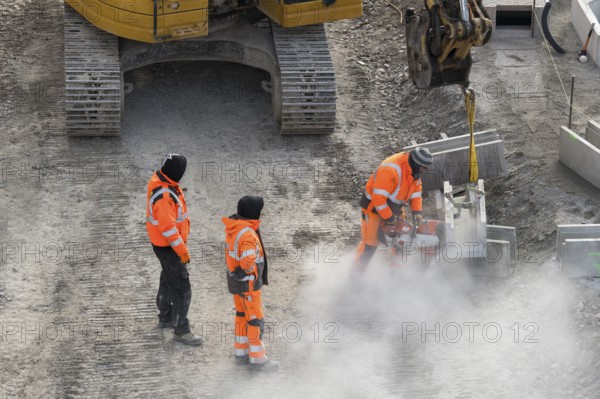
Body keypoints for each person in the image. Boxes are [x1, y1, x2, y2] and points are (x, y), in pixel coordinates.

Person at [146, 154, 202, 346]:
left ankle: (166, 316)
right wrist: (182, 250)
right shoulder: (164, 195)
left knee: (168, 278)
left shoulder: (164, 182)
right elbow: (168, 228)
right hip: (169, 246)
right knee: (182, 287)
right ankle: (181, 330)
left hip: (163, 245)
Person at [222, 195, 279, 371]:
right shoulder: (248, 234)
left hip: (236, 283)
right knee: (255, 320)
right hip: (248, 286)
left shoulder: (235, 228)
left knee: (241, 315)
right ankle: (257, 359)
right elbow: (248, 260)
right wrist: (248, 270)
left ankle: (241, 353)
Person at [354, 147, 433, 271]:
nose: (424, 171)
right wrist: (390, 219)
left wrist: (416, 211)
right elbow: (378, 199)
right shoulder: (391, 169)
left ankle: (396, 275)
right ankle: (355, 276)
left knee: (401, 242)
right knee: (370, 244)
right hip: (373, 209)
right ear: (416, 164)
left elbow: (416, 191)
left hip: (394, 209)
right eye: (423, 168)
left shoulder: (415, 171)